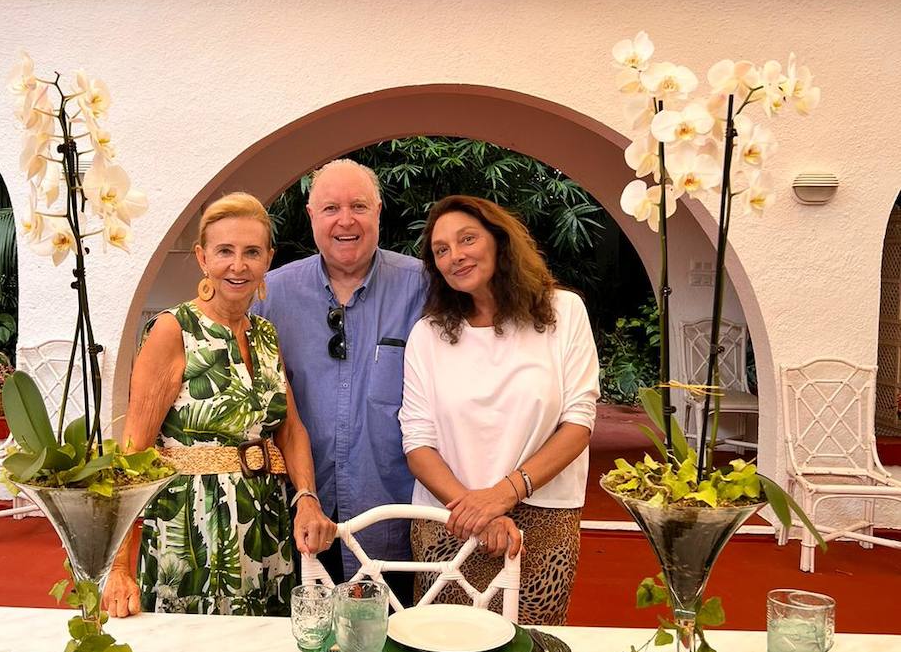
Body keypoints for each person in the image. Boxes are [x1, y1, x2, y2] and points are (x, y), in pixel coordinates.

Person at [102, 193, 335, 618]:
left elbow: (290, 428)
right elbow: (134, 451)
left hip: (264, 524)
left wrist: (307, 498)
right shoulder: (173, 329)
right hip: (190, 529)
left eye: (251, 252)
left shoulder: (265, 334)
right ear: (202, 258)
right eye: (224, 251)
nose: (238, 265)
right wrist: (119, 566)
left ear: (268, 259)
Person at [399, 195, 600, 625]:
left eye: (467, 239)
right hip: (449, 519)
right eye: (441, 250)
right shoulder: (427, 335)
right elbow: (417, 443)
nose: (456, 256)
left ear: (498, 239)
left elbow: (578, 423)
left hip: (542, 518)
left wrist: (503, 496)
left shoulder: (565, 313)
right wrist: (475, 511)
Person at [254, 159, 426, 585]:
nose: (345, 220)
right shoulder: (269, 296)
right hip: (301, 520)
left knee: (397, 643)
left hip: (397, 521)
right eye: (331, 208)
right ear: (312, 216)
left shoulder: (423, 287)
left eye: (359, 207)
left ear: (379, 212)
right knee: (308, 643)